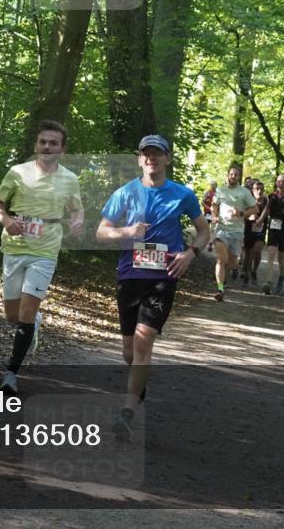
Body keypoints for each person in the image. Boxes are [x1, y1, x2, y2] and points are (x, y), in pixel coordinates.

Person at [96, 135, 209, 438]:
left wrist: (190, 254)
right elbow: (101, 232)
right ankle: (138, 390)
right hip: (129, 275)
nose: (151, 158)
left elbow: (203, 231)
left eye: (157, 153)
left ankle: (127, 413)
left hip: (163, 277)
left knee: (143, 341)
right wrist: (126, 231)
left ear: (167, 158)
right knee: (129, 350)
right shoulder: (124, 193)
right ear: (139, 159)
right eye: (146, 153)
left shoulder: (182, 194)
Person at [0, 120, 83, 396]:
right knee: (13, 315)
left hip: (46, 249)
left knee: (27, 311)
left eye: (53, 143)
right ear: (36, 145)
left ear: (62, 149)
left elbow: (76, 208)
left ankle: (11, 374)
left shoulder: (70, 179)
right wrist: (6, 220)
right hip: (15, 246)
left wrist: (77, 221)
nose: (47, 147)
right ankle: (33, 323)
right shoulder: (17, 172)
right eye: (43, 142)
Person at [209, 164, 257, 301]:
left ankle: (234, 268)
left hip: (237, 231)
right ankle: (220, 289)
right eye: (231, 174)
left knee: (231, 261)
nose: (233, 176)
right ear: (227, 175)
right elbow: (214, 205)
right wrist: (214, 216)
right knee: (221, 259)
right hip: (222, 228)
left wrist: (241, 213)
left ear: (239, 177)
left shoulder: (244, 192)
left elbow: (255, 209)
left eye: (236, 175)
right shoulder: (220, 190)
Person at [262, 174, 284, 295]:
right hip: (273, 227)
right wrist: (259, 221)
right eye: (279, 181)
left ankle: (281, 277)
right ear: (276, 183)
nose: (281, 183)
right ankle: (268, 282)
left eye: (283, 181)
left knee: (281, 257)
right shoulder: (271, 196)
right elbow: (266, 210)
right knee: (271, 254)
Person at [243, 180, 268, 285]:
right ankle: (246, 273)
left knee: (257, 251)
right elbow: (242, 214)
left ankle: (254, 270)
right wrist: (249, 216)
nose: (259, 191)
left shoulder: (266, 200)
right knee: (248, 253)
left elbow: (267, 211)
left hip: (261, 230)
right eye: (257, 189)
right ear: (252, 190)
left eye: (261, 189)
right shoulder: (248, 200)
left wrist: (260, 219)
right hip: (248, 229)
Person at [200, 181, 217, 252]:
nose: (213, 186)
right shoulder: (207, 192)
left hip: (214, 214)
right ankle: (203, 243)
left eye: (214, 185)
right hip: (208, 213)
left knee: (213, 229)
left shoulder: (218, 193)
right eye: (212, 185)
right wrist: (208, 208)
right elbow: (202, 202)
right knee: (206, 228)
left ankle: (210, 244)